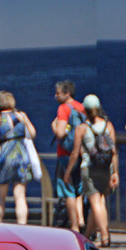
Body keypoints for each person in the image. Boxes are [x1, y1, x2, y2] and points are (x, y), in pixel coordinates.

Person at [64, 94, 119, 246]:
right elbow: (114, 152)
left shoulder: (82, 128)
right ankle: (87, 236)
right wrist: (115, 172)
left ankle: (105, 237)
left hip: (89, 168)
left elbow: (75, 154)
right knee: (101, 202)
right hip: (105, 169)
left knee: (95, 202)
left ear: (85, 111)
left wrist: (68, 172)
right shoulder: (108, 126)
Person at [0, 90, 37, 224]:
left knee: (0, 197)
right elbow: (32, 134)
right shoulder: (21, 116)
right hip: (22, 157)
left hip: (5, 159)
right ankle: (22, 225)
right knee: (20, 196)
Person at [51, 80, 86, 233]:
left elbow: (60, 132)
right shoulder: (82, 107)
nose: (55, 96)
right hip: (81, 154)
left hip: (66, 155)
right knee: (78, 190)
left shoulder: (63, 108)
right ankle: (81, 219)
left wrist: (54, 125)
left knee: (68, 191)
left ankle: (74, 226)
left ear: (67, 93)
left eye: (58, 93)